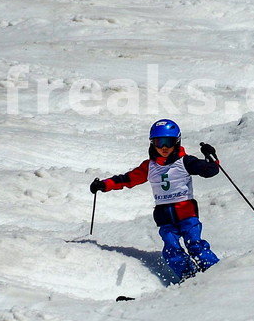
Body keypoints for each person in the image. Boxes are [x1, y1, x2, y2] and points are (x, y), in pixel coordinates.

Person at [89, 119, 221, 281]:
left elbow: (209, 171)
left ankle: (215, 273)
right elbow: (127, 179)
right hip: (164, 216)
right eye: (159, 142)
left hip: (186, 212)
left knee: (194, 244)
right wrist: (104, 185)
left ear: (177, 142)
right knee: (172, 249)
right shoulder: (149, 166)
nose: (164, 148)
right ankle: (189, 278)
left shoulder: (185, 161)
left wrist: (211, 158)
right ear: (152, 143)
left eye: (169, 142)